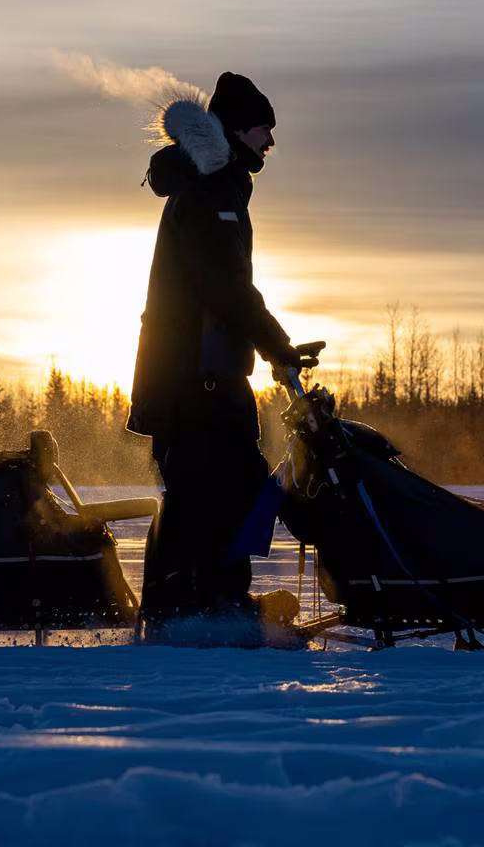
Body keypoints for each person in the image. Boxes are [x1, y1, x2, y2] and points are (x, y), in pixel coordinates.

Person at [127, 71, 322, 640]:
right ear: (239, 129)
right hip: (198, 384)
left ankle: (198, 606)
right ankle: (205, 611)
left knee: (217, 495)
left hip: (196, 381)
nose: (271, 141)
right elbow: (227, 290)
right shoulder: (214, 192)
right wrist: (277, 347)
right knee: (224, 494)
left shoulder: (216, 185)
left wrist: (273, 349)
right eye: (266, 128)